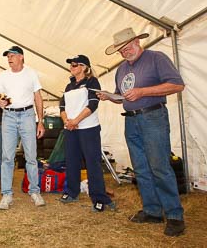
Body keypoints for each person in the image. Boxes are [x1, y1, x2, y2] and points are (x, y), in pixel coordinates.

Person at [100, 27, 185, 236]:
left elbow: (177, 85)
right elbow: (122, 96)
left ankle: (174, 215)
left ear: (137, 41)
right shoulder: (121, 69)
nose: (124, 52)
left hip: (152, 117)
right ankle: (152, 211)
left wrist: (143, 92)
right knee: (141, 168)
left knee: (159, 166)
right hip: (131, 121)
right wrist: (109, 96)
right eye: (120, 50)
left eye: (126, 47)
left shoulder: (156, 58)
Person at [59, 55, 115, 212]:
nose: (72, 66)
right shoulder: (69, 86)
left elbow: (93, 104)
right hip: (70, 129)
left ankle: (99, 198)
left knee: (92, 163)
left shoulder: (92, 82)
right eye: (71, 64)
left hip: (88, 128)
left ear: (84, 67)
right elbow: (62, 106)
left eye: (75, 64)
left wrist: (75, 120)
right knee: (71, 161)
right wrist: (67, 122)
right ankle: (71, 192)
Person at [0, 46, 46, 210]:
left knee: (31, 156)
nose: (9, 58)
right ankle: (6, 194)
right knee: (7, 157)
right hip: (9, 116)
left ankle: (34, 191)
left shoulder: (31, 74)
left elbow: (38, 97)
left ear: (21, 57)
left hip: (27, 115)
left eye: (12, 55)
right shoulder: (3, 75)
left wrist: (40, 121)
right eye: (8, 56)